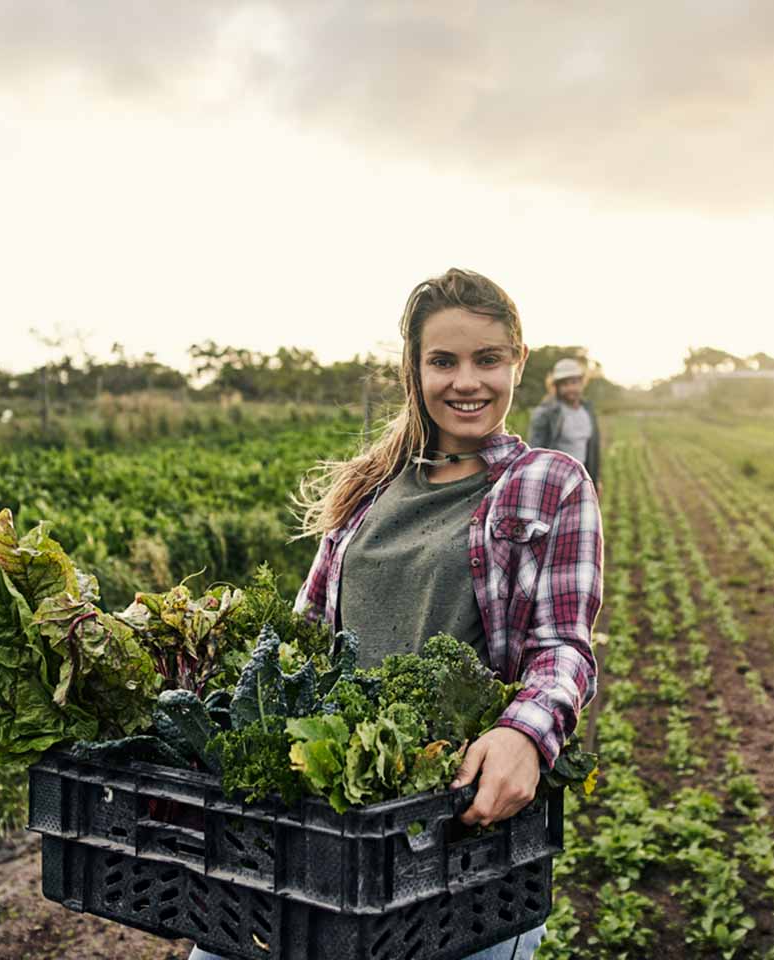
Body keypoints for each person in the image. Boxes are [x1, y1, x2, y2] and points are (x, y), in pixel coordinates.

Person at [189, 268, 602, 960]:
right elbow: (304, 631)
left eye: (487, 359)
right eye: (443, 361)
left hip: (454, 838)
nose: (465, 381)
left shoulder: (548, 483)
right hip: (326, 824)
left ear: (517, 363)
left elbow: (563, 647)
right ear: (414, 369)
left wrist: (523, 736)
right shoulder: (369, 488)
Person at [528, 357, 602, 497]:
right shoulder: (546, 413)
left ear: (582, 382)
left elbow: (593, 448)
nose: (571, 388)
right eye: (565, 384)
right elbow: (535, 453)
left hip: (582, 480)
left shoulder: (587, 410)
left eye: (574, 382)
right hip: (556, 483)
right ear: (556, 386)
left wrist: (595, 480)